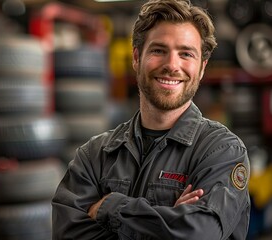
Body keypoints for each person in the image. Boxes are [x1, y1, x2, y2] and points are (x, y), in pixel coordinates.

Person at [51, 0, 251, 239]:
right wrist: (170, 220)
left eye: (186, 53)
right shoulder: (94, 155)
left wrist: (110, 207)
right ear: (136, 58)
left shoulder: (221, 152)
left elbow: (199, 232)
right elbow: (68, 233)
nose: (172, 65)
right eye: (158, 50)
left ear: (202, 68)